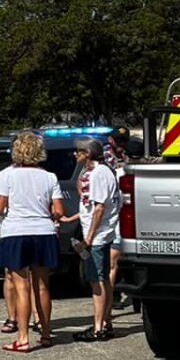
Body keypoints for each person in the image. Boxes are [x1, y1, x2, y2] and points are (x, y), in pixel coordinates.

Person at [0, 131, 65, 354]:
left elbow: (1, 207)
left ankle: (23, 338)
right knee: (42, 285)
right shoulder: (50, 177)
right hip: (43, 232)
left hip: (16, 231)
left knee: (21, 286)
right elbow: (59, 211)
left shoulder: (8, 176)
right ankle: (45, 332)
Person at [64, 138, 121, 341]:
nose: (74, 154)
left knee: (97, 281)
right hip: (96, 233)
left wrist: (88, 238)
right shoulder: (92, 172)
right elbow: (86, 198)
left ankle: (99, 327)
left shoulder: (100, 174)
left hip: (98, 236)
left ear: (87, 153)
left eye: (78, 151)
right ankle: (105, 322)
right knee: (101, 279)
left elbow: (99, 208)